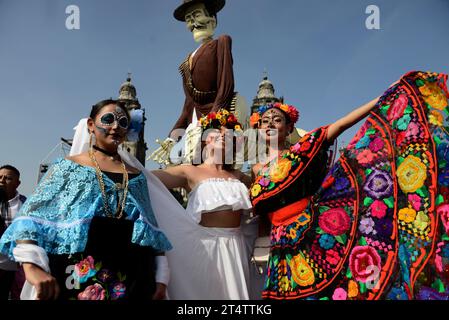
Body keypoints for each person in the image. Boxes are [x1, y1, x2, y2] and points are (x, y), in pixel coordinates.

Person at [249, 71, 449, 300]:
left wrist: (384, 96)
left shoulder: (301, 151)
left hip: (312, 234)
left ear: (288, 127)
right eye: (265, 121)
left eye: (277, 120)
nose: (270, 124)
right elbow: (262, 214)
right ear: (257, 128)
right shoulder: (257, 170)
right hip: (279, 244)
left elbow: (343, 123)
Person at [0, 99, 172, 300]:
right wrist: (31, 267)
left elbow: (151, 231)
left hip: (134, 275)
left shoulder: (137, 176)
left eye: (123, 122)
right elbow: (28, 219)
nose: (116, 126)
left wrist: (161, 277)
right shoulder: (67, 167)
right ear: (91, 125)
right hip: (79, 272)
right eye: (108, 119)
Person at [151, 109, 253, 299]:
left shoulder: (239, 176)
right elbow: (148, 180)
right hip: (203, 247)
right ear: (206, 138)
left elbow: (270, 188)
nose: (224, 135)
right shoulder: (189, 171)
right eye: (218, 131)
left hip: (236, 247)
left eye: (228, 133)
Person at [0, 165, 27, 300]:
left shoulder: (26, 205)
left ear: (17, 183)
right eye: (0, 177)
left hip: (16, 269)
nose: (2, 180)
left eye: (8, 178)